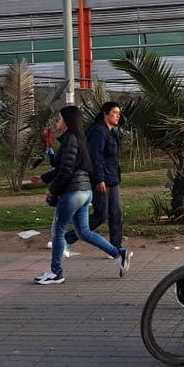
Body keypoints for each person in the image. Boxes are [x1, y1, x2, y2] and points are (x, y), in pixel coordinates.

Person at [34, 106, 132, 285]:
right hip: (85, 192)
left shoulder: (71, 139)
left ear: (67, 121)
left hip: (74, 192)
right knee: (84, 231)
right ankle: (118, 253)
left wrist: (52, 189)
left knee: (58, 232)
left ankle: (56, 272)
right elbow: (68, 166)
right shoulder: (79, 139)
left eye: (59, 118)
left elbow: (66, 170)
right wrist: (44, 177)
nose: (57, 122)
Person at [64, 102, 123, 256]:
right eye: (115, 112)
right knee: (100, 215)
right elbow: (95, 157)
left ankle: (116, 247)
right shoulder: (98, 131)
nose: (118, 116)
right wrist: (99, 179)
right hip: (102, 178)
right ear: (105, 113)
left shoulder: (112, 133)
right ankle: (67, 238)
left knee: (116, 213)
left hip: (113, 178)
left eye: (119, 113)